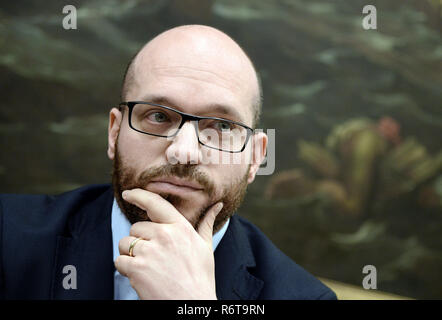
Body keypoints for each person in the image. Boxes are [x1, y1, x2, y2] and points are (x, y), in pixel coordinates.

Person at [0, 25, 336, 300]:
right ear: (114, 133)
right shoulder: (8, 237)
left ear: (255, 158)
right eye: (158, 116)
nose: (184, 152)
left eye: (221, 126)